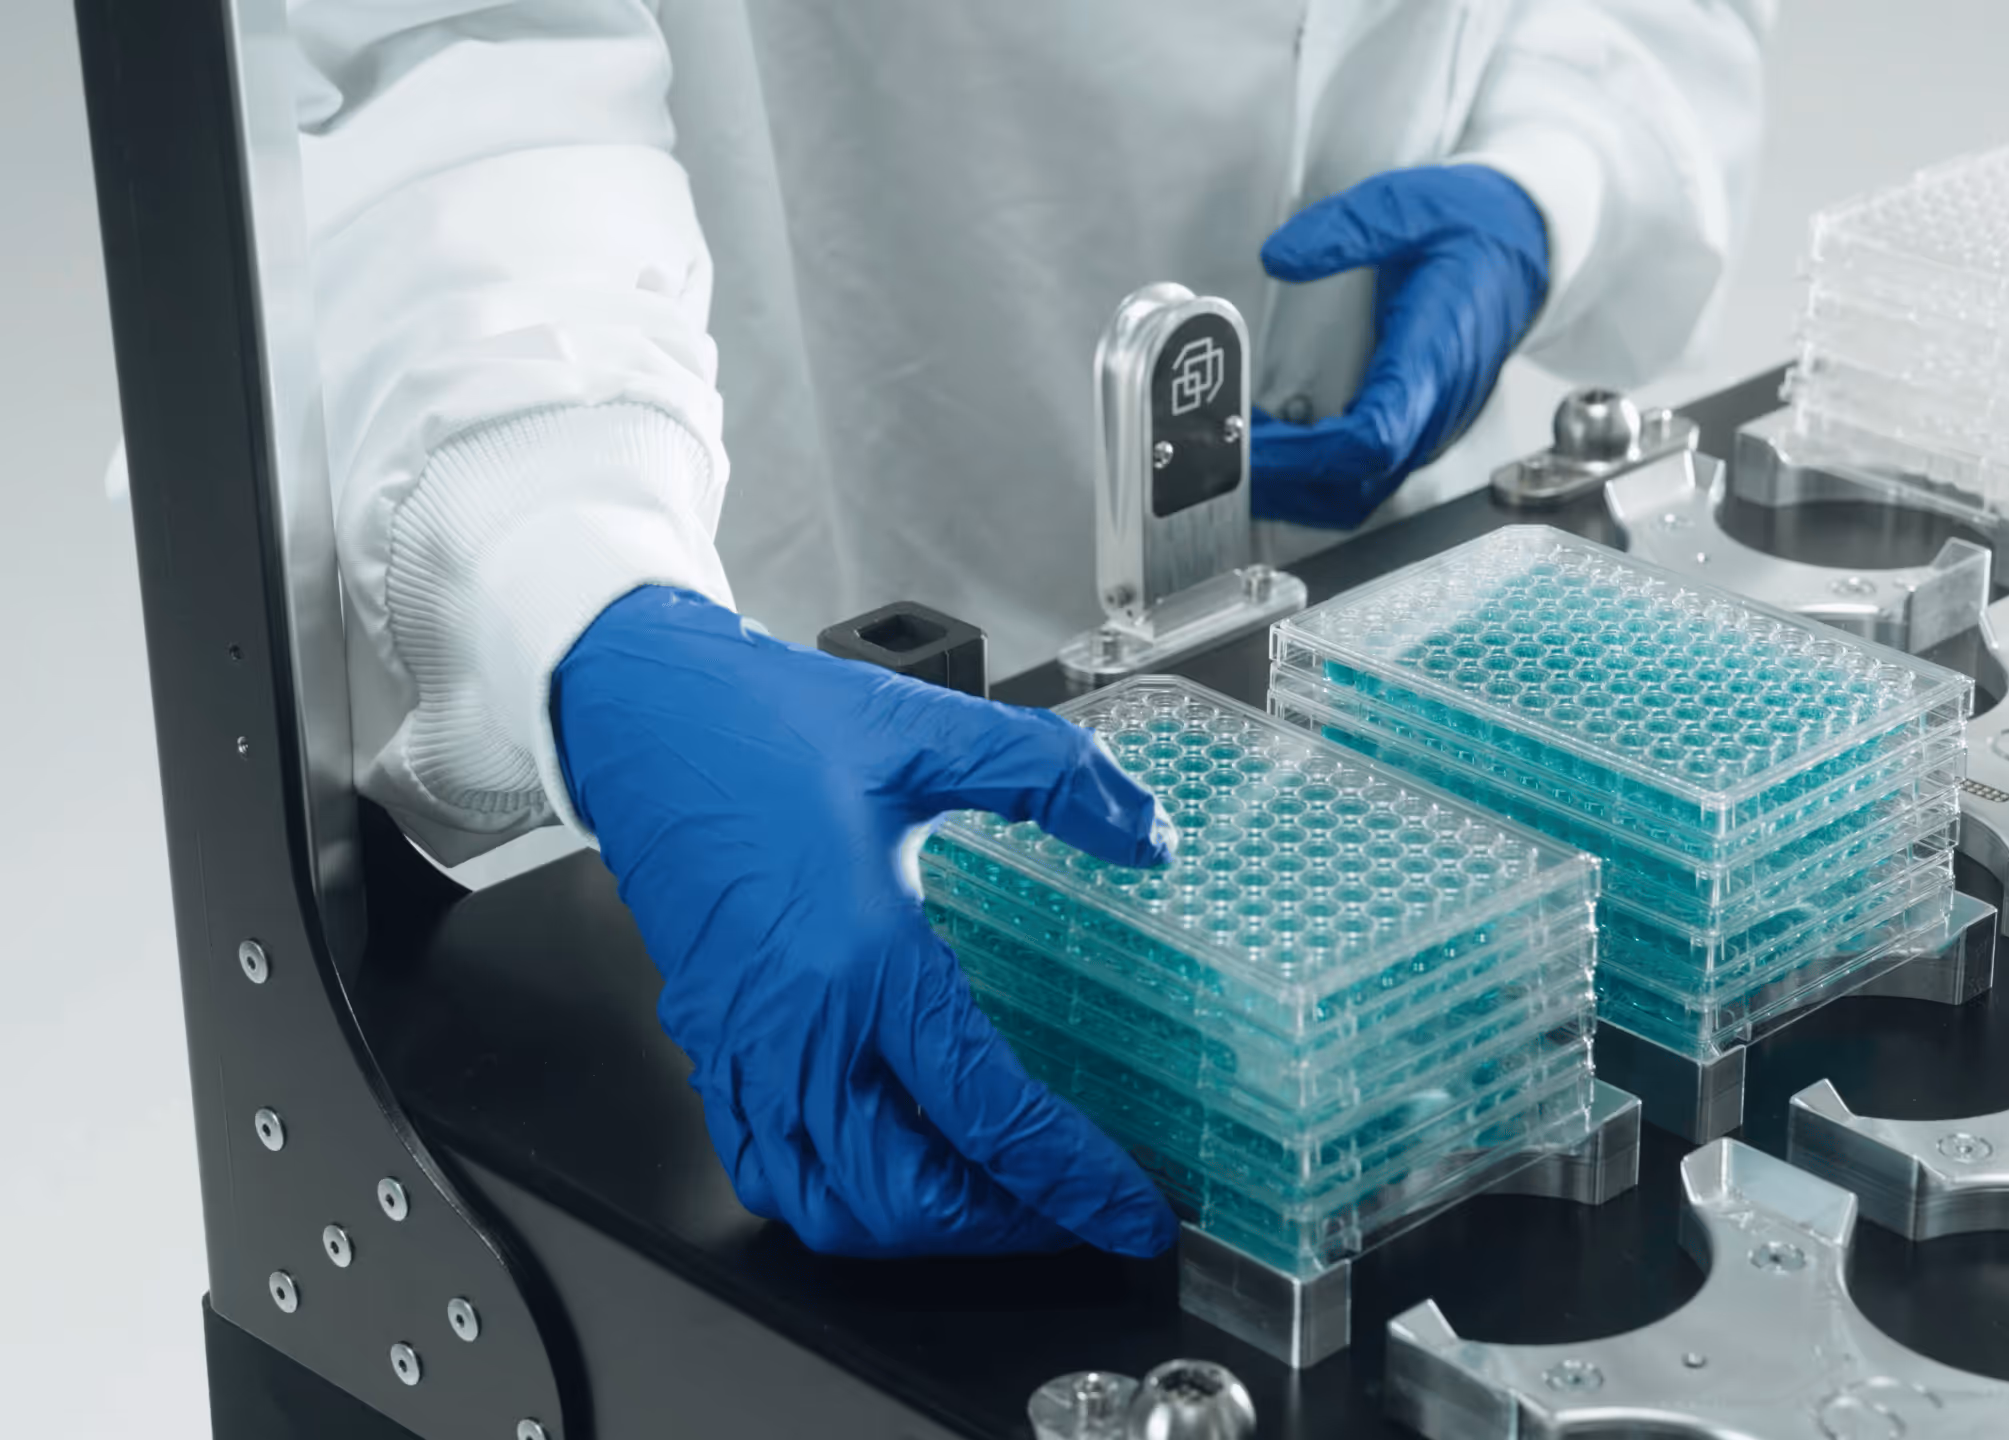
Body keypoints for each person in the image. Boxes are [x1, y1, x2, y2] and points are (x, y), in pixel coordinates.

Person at [290, 0, 1771, 1258]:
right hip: (841, 632)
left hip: (1404, 634)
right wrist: (575, 578)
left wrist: (1554, 164)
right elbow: (447, 64)